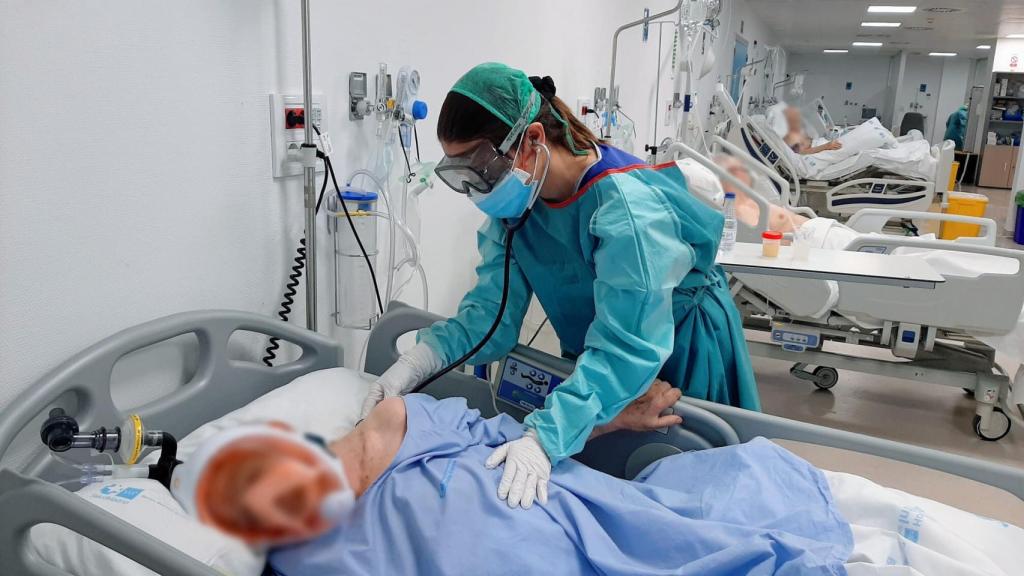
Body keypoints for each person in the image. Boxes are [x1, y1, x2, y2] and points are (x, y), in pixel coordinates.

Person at [359, 62, 759, 510]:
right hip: (601, 360)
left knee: (693, 493)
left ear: (532, 140)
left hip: (676, 347)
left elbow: (629, 347)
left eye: (481, 165)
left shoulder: (626, 210)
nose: (478, 187)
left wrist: (546, 437)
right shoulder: (518, 211)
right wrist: (417, 361)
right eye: (461, 173)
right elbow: (491, 318)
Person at [174, 386, 852, 575]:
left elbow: (528, 440)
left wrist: (614, 418)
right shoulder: (308, 548)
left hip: (582, 520)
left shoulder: (403, 416)